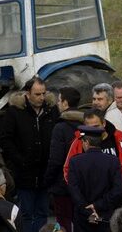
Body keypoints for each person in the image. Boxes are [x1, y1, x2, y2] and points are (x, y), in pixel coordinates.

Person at [0, 76, 59, 232]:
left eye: (43, 93)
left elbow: (57, 136)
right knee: (25, 213)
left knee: (42, 212)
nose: (41, 98)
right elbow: (5, 139)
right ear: (27, 93)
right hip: (24, 173)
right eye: (37, 94)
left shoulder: (51, 111)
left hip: (45, 173)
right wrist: (19, 160)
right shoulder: (15, 112)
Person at [64, 109, 122, 208]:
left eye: (96, 126)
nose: (93, 131)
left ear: (103, 123)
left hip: (117, 197)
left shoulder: (118, 137)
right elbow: (67, 170)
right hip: (88, 199)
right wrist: (79, 196)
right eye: (88, 128)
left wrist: (116, 171)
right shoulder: (79, 141)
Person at [67, 125, 122, 232]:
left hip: (82, 217)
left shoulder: (75, 162)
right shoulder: (113, 161)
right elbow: (117, 190)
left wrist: (87, 209)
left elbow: (73, 190)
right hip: (105, 214)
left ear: (86, 142)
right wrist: (98, 205)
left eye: (82, 142)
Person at [43, 87, 83, 232]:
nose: (58, 104)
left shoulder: (60, 128)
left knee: (63, 222)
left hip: (62, 185)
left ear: (65, 103)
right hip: (82, 184)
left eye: (59, 101)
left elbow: (56, 160)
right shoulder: (86, 126)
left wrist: (47, 181)